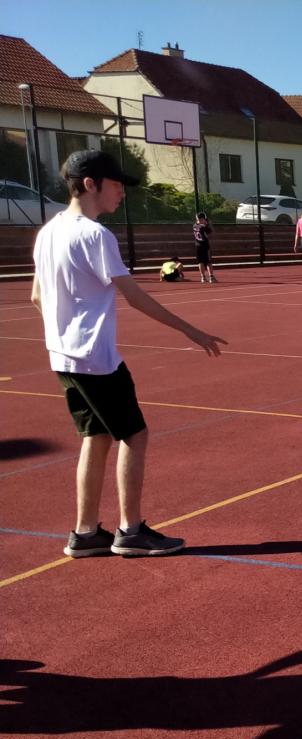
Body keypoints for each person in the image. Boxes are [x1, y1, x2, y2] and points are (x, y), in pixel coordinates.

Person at [32, 150, 227, 559]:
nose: (122, 192)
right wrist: (191, 331)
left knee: (96, 436)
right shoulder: (95, 235)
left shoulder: (48, 232)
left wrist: (63, 328)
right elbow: (135, 297)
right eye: (116, 184)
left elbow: (37, 296)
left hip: (63, 357)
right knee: (135, 435)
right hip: (95, 358)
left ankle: (86, 533)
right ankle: (131, 531)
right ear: (90, 184)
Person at [192, 211, 215, 283]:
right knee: (208, 262)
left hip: (197, 245)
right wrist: (208, 224)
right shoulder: (204, 226)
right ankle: (211, 277)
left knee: (200, 262)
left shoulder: (194, 225)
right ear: (202, 219)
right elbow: (210, 233)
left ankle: (203, 277)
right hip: (205, 245)